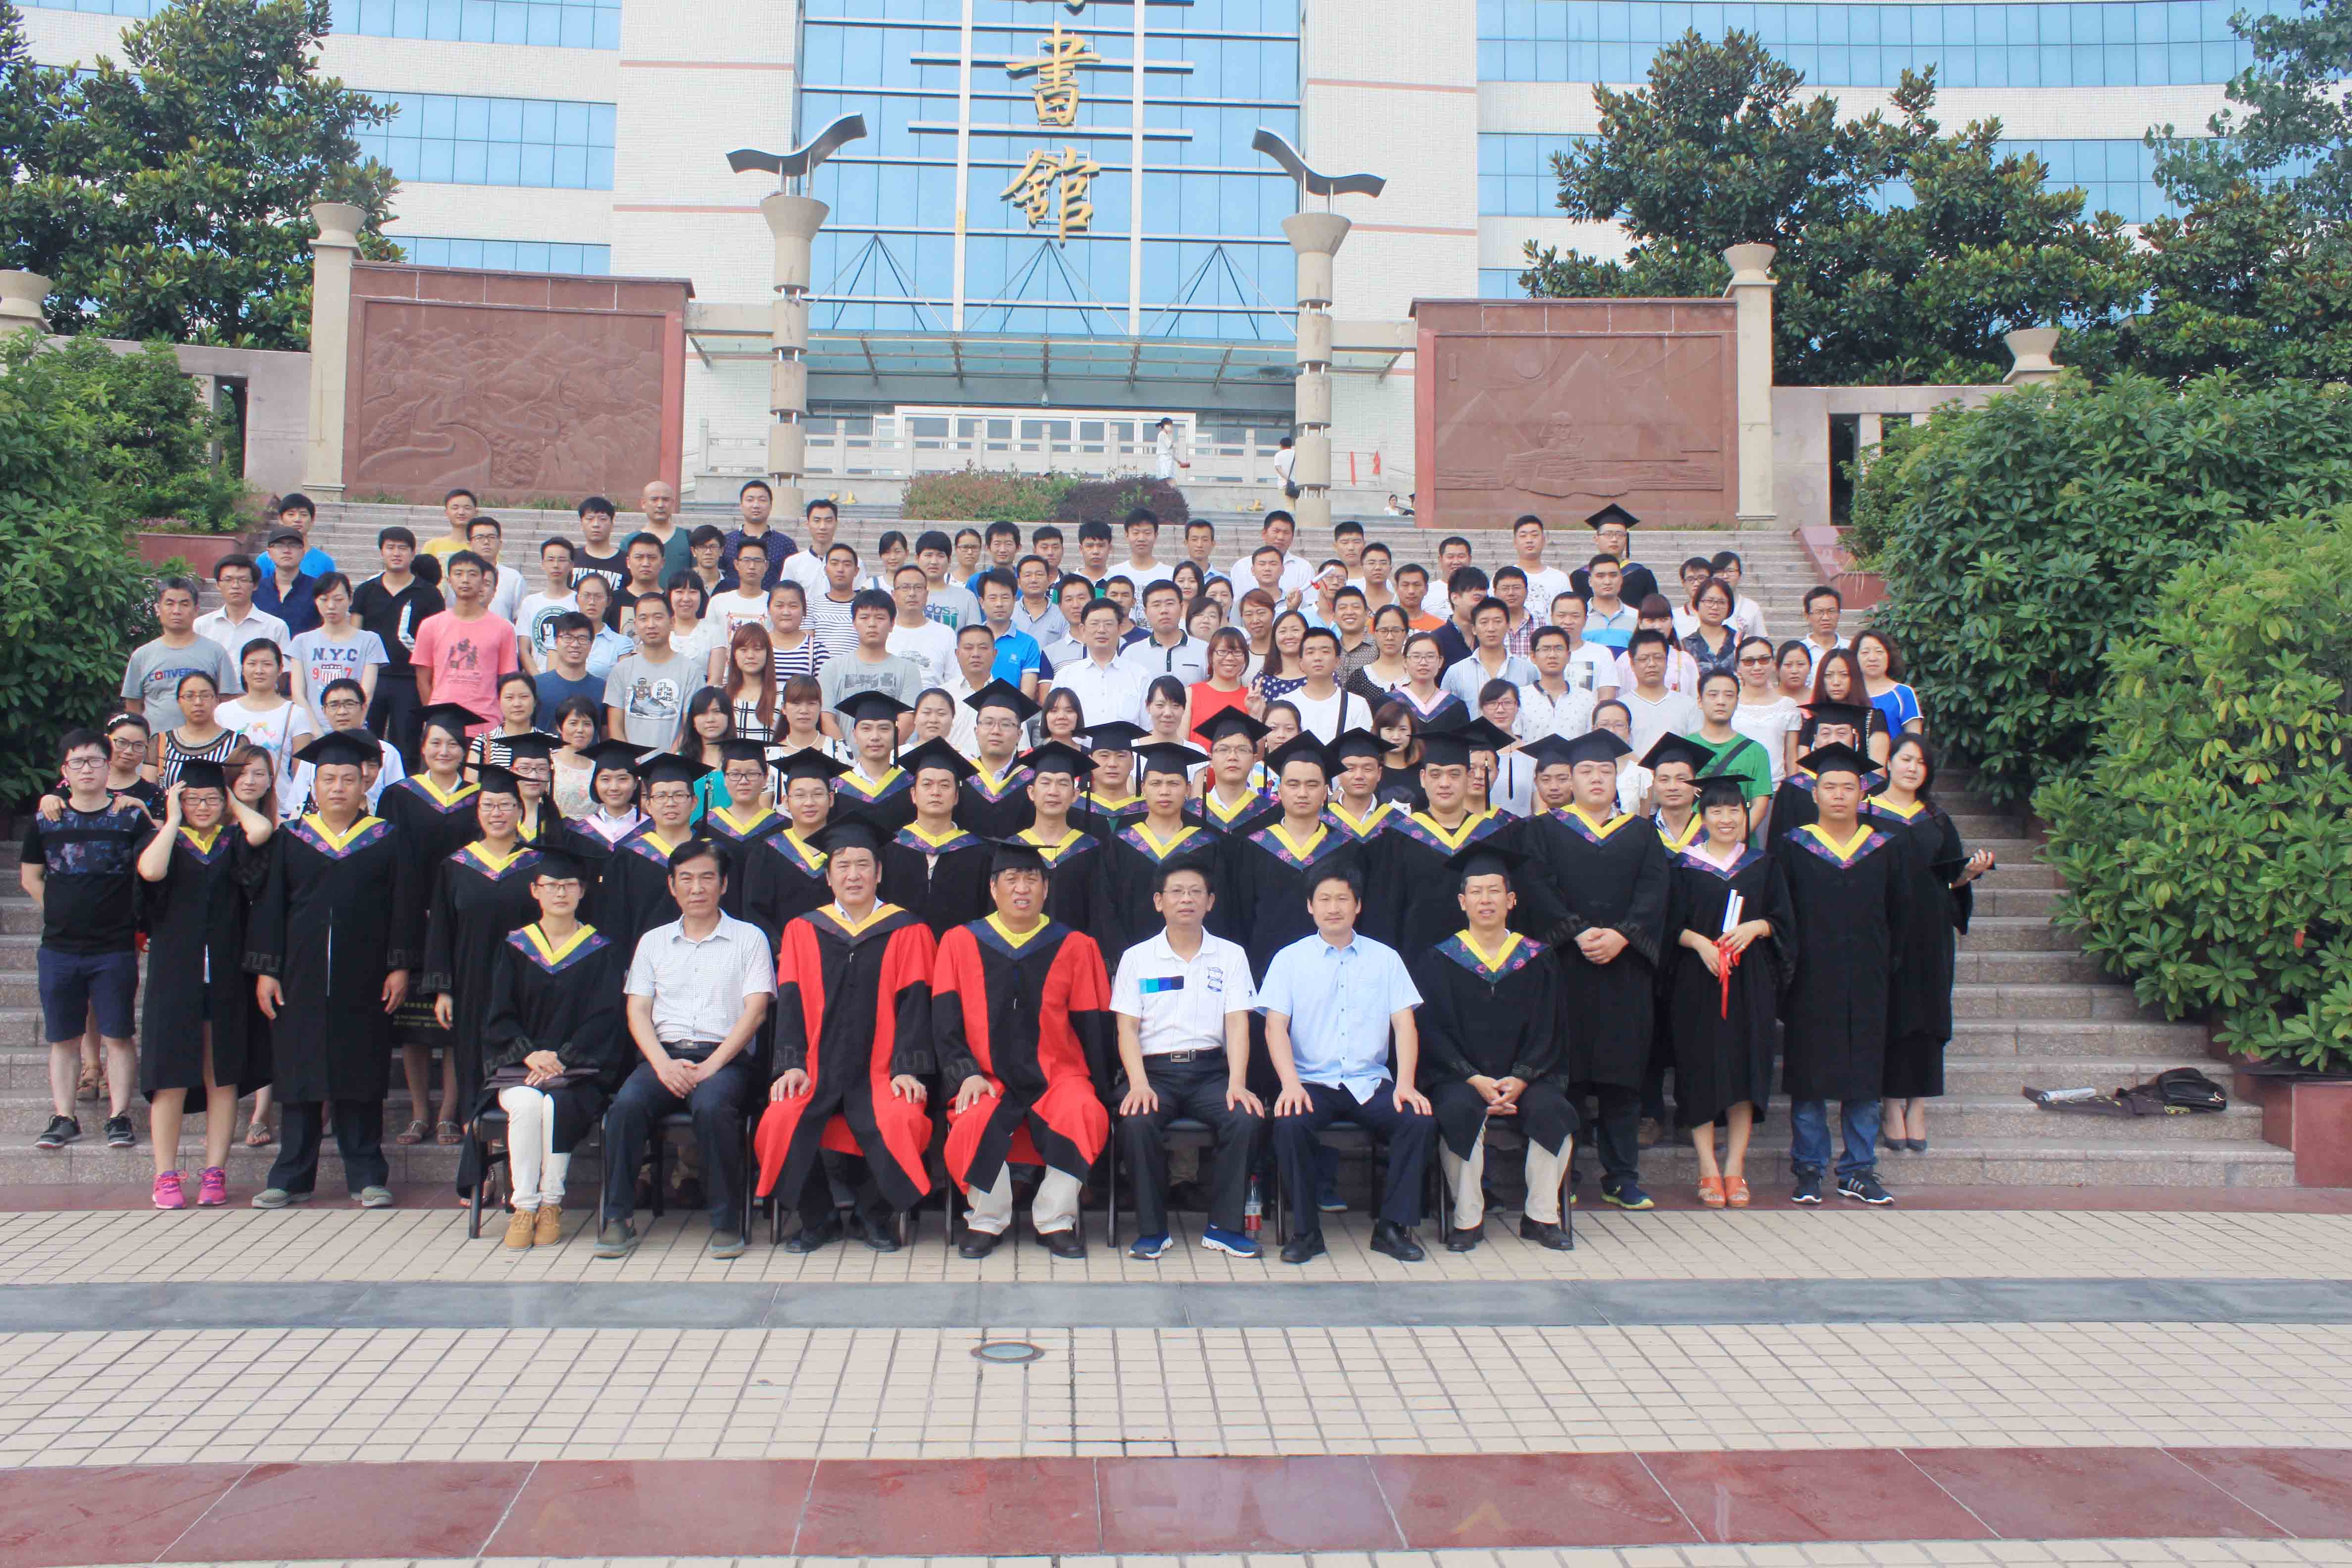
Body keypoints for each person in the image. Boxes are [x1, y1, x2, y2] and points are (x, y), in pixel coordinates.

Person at [247, 731, 425, 1209]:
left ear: (365, 783)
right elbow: (271, 908)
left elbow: (404, 907)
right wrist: (267, 969)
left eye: (348, 778)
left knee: (360, 1074)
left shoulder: (387, 839)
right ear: (315, 784)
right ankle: (291, 1177)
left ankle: (367, 1175)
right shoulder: (291, 838)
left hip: (365, 976)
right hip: (299, 976)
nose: (339, 787)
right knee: (298, 1076)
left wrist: (400, 966)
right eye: (328, 779)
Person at [754, 817, 941, 1253]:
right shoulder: (803, 931)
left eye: (862, 865)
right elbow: (791, 1002)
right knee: (779, 1119)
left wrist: (908, 1069)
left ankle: (872, 1216)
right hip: (816, 1067)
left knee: (903, 1119)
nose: (853, 875)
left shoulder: (909, 931)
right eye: (843, 865)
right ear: (828, 876)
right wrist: (791, 1064)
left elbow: (917, 1006)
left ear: (879, 873)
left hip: (882, 1070)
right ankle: (817, 1218)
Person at [931, 838, 1115, 1259]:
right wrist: (965, 1073)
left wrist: (1099, 1085)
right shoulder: (960, 942)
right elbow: (944, 1020)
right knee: (974, 1117)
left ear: (1046, 889)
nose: (1022, 888)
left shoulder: (1075, 946)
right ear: (993, 888)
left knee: (1084, 1111)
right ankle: (986, 1220)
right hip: (985, 1074)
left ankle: (1055, 1219)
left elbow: (1092, 1024)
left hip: (1057, 1073)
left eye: (1032, 879)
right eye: (1012, 878)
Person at [597, 836, 774, 1259]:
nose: (697, 888)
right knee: (626, 1107)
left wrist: (711, 1066)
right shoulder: (653, 941)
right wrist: (662, 1065)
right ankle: (618, 1218)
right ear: (672, 885)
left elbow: (756, 1012)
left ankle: (726, 1221)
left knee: (712, 1108)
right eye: (687, 879)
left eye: (707, 878)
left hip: (725, 1059)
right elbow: (638, 1011)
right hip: (664, 1057)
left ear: (724, 885)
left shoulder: (750, 939)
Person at [1517, 730, 1669, 1212]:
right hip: (1567, 968)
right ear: (1570, 780)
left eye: (1605, 770)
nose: (1597, 778)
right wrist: (1577, 932)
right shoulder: (1544, 831)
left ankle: (1622, 1177)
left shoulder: (1641, 833)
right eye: (1586, 771)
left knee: (1623, 1079)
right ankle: (1565, 1173)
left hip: (1625, 971)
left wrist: (1623, 935)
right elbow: (1537, 890)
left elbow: (1654, 892)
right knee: (1569, 1079)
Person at [1261, 861, 1433, 1264]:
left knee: (1418, 1121)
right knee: (1290, 1124)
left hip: (1369, 1082)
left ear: (1358, 906)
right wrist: (1290, 1084)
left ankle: (1391, 1228)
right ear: (1310, 906)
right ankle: (1306, 1233)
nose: (1333, 907)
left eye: (1343, 899)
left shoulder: (1385, 959)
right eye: (1324, 899)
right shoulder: (1289, 959)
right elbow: (1274, 1027)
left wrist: (1406, 1084)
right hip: (1311, 1082)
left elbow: (1404, 1025)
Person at [1409, 843, 1574, 1251]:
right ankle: (1468, 1221)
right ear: (1462, 902)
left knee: (1554, 1111)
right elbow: (1431, 1030)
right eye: (1477, 892)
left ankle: (1542, 1217)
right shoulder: (1439, 960)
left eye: (1495, 891)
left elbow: (1550, 1028)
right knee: (1457, 1112)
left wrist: (1521, 1078)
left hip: (1527, 1076)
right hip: (1461, 1076)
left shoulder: (1537, 958)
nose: (1486, 900)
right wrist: (1473, 1078)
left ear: (1511, 900)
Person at [461, 848, 627, 1247]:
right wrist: (529, 1053)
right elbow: (498, 1013)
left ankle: (552, 1202)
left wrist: (562, 1059)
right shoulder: (515, 947)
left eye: (569, 885)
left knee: (555, 1104)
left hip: (579, 1071)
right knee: (526, 1103)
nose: (561, 893)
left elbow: (605, 1017)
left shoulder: (601, 949)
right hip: (521, 1066)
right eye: (552, 886)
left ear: (582, 891)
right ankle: (525, 1206)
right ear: (535, 891)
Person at [1110, 858, 1264, 1260]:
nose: (1186, 900)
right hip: (1154, 1073)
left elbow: (1238, 1024)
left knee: (1245, 1117)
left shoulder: (1231, 956)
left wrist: (1237, 1082)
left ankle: (1225, 1227)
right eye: (1177, 892)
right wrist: (1138, 1083)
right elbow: (1127, 1028)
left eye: (1196, 892)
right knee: (1136, 1121)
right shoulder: (1137, 958)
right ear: (1158, 901)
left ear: (1210, 902)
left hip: (1210, 1072)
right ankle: (1152, 1230)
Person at [1771, 741, 1905, 1206]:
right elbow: (1780, 914)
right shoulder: (1793, 846)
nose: (1839, 795)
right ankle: (1809, 1169)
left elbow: (1900, 915)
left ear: (1863, 792)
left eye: (1848, 787)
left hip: (1868, 978)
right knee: (1809, 1078)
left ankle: (1858, 1170)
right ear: (1815, 793)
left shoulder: (1884, 847)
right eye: (1830, 787)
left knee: (1865, 1078)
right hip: (1810, 979)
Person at [24, 731, 155, 1154]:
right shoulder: (46, 819)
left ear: (108, 766)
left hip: (114, 946)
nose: (87, 769)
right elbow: (31, 876)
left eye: (95, 761)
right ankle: (64, 1117)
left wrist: (144, 810)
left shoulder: (129, 818)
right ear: (65, 770)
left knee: (118, 1035)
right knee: (63, 1037)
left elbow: (157, 866)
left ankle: (119, 1116)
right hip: (59, 947)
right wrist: (58, 910)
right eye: (77, 762)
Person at [1666, 776, 1790, 1208]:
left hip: (1749, 981)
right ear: (1702, 818)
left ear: (1745, 816)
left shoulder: (1763, 865)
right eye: (1716, 810)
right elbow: (1666, 925)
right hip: (1697, 981)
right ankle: (1708, 1168)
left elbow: (1784, 920)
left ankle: (1735, 1167)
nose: (1725, 818)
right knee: (1699, 1069)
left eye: (1734, 810)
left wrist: (1757, 927)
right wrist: (1700, 944)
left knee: (1745, 1070)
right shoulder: (1683, 866)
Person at [1865, 735, 1993, 1154]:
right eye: (1905, 759)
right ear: (1889, 763)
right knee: (1890, 1016)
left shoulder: (1937, 819)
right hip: (1884, 931)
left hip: (1929, 934)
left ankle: (1917, 1105)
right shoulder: (1866, 813)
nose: (1912, 768)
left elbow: (1949, 880)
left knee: (1928, 1016)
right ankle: (1890, 1105)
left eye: (1920, 763)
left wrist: (1968, 876)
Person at [419, 766, 546, 1136]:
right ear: (477, 812)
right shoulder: (456, 866)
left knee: (520, 1056)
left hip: (525, 983)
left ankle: (518, 1138)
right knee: (473, 1058)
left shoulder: (538, 865)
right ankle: (477, 1142)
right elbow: (441, 930)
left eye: (506, 805)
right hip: (471, 980)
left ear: (520, 810)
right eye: (488, 805)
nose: (497, 813)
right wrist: (443, 989)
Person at [1370, 720, 1516, 951]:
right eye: (1436, 775)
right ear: (1422, 778)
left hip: (1482, 960)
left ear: (1468, 778)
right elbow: (1386, 913)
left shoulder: (1493, 835)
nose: (1445, 784)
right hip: (1416, 959)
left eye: (1454, 774)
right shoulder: (1398, 838)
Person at [878, 736, 994, 936]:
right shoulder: (890, 849)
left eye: (945, 785)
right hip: (902, 952)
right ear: (913, 795)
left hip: (960, 952)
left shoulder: (980, 853)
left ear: (957, 796)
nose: (936, 792)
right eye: (927, 784)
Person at [742, 749, 848, 935]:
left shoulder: (847, 850)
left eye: (818, 794)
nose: (809, 803)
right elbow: (755, 914)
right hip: (783, 951)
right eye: (800, 795)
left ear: (831, 799)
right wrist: (782, 949)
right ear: (786, 802)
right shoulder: (768, 853)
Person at [411, 551, 519, 733]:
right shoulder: (430, 626)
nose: (465, 580)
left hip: (486, 724)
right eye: (459, 573)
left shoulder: (504, 628)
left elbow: (507, 681)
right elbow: (423, 680)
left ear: (484, 581)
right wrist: (434, 718)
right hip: (442, 725)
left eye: (472, 574)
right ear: (449, 580)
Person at [1011, 739, 1106, 931]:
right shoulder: (1013, 848)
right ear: (1031, 793)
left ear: (1075, 795)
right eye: (1045, 783)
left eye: (1063, 784)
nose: (1053, 792)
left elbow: (1100, 917)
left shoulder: (1092, 850)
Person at [122, 577, 238, 732]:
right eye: (170, 604)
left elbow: (229, 705)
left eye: (184, 604)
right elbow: (133, 708)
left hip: (206, 743)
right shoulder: (142, 656)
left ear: (196, 609)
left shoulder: (216, 653)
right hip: (157, 743)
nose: (177, 611)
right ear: (157, 609)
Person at [217, 640, 316, 808]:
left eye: (267, 664)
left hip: (281, 808)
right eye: (252, 664)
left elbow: (302, 773)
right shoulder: (223, 712)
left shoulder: (296, 713)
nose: (259, 671)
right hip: (232, 808)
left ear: (280, 669)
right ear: (243, 669)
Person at [819, 588, 926, 732]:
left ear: (892, 624)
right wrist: (843, 747)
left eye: (880, 618)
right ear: (854, 623)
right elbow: (826, 718)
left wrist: (886, 746)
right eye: (864, 618)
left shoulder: (908, 670)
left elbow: (907, 721)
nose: (872, 624)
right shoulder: (832, 668)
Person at [604, 591, 691, 752]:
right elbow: (615, 727)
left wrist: (669, 760)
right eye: (643, 619)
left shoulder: (690, 671)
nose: (651, 625)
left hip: (673, 764)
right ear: (635, 624)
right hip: (631, 764)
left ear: (672, 622)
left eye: (658, 617)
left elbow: (689, 727)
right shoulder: (621, 670)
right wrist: (630, 761)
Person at [957, 680, 1040, 840]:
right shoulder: (960, 778)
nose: (996, 731)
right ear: (976, 731)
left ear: (1019, 735)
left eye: (1006, 724)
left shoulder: (1034, 781)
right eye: (988, 723)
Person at [1049, 598, 1151, 728]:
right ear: (1083, 630)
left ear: (1120, 629)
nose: (1101, 630)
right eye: (1094, 624)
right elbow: (1053, 727)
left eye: (1108, 624)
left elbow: (1149, 729)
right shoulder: (1065, 676)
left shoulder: (1140, 676)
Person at [829, 690, 918, 831]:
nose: (875, 737)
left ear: (896, 734)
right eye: (866, 729)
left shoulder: (911, 786)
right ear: (854, 735)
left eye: (884, 729)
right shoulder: (837, 789)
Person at [1440, 596, 1539, 709]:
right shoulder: (1456, 673)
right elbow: (1445, 715)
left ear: (1508, 627)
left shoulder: (1527, 671)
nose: (1491, 629)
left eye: (1497, 622)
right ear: (1474, 629)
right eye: (1484, 622)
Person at [151, 670, 241, 791]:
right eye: (189, 696)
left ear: (217, 700)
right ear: (179, 701)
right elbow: (148, 793)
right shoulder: (161, 742)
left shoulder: (236, 743)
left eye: (206, 696)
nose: (198, 703)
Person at [1732, 636, 1803, 785]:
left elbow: (1791, 757)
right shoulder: (1729, 704)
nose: (1757, 667)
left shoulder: (1788, 706)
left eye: (1764, 660)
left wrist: (1793, 791)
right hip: (1734, 789)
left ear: (1773, 663)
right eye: (1749, 661)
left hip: (1775, 788)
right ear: (1738, 667)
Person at [195, 555, 292, 664]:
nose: (235, 586)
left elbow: (285, 669)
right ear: (217, 584)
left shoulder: (276, 627)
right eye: (228, 580)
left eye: (243, 580)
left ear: (255, 585)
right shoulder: (201, 626)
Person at [1617, 630, 1700, 756]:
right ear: (1633, 665)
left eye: (1658, 658)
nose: (1652, 664)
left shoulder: (1689, 706)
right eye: (1644, 659)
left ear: (1667, 662)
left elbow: (1696, 750)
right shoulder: (1620, 708)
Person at [1811, 647, 1893, 765]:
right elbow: (1803, 772)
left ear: (1855, 678)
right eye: (1829, 675)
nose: (1836, 682)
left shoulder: (1873, 718)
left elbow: (1878, 771)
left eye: (1844, 675)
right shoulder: (1813, 721)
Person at [513, 537, 580, 675]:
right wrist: (539, 679)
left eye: (562, 560)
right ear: (543, 564)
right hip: (537, 677)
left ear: (572, 565)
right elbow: (524, 648)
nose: (556, 565)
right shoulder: (530, 603)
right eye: (551, 560)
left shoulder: (579, 601)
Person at [975, 571, 1047, 695]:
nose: (999, 604)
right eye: (993, 598)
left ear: (1014, 600)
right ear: (982, 602)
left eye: (1005, 598)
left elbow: (1028, 693)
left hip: (1013, 707)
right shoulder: (969, 640)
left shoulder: (1028, 644)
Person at [886, 563, 956, 684]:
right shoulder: (883, 633)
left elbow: (954, 681)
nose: (912, 593)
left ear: (927, 594)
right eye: (905, 588)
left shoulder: (945, 634)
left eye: (918, 588)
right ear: (893, 595)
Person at [723, 479, 793, 591]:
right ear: (741, 505)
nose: (756, 505)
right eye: (750, 500)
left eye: (762, 500)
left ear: (771, 505)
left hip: (773, 601)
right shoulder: (726, 542)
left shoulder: (786, 544)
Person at [1855, 630, 1924, 741]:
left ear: (1889, 656)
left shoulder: (1904, 694)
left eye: (1879, 652)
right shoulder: (1849, 693)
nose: (1872, 658)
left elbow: (1915, 742)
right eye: (1865, 653)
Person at [254, 525, 323, 636]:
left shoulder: (318, 589)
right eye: (280, 546)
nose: (287, 551)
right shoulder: (256, 589)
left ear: (303, 553)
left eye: (293, 545)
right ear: (269, 553)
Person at [765, 580, 832, 686]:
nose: (786, 612)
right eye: (779, 606)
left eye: (793, 606)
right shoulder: (758, 646)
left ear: (804, 611)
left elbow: (825, 691)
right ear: (769, 609)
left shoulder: (818, 651)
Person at [1681, 577, 1742, 682]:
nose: (1715, 607)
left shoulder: (1740, 641)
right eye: (1709, 601)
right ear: (1697, 604)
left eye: (1722, 602)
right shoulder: (1685, 645)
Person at [270, 492, 336, 578]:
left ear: (312, 520)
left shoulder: (325, 562)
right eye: (291, 514)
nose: (297, 519)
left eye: (304, 515)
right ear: (280, 519)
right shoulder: (266, 560)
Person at [421, 487, 479, 560]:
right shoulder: (432, 546)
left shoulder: (482, 547)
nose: (461, 512)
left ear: (476, 513)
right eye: (455, 508)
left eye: (467, 508)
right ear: (446, 513)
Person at [1801, 585, 1848, 663]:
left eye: (1831, 611)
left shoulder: (1851, 649)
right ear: (1807, 617)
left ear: (1839, 614)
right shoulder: (1799, 652)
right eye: (1819, 612)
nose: (1826, 617)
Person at [1776, 638, 1816, 704]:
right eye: (1788, 665)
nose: (1795, 671)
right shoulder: (1767, 700)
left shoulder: (1820, 700)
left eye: (1801, 664)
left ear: (1810, 667)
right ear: (1778, 668)